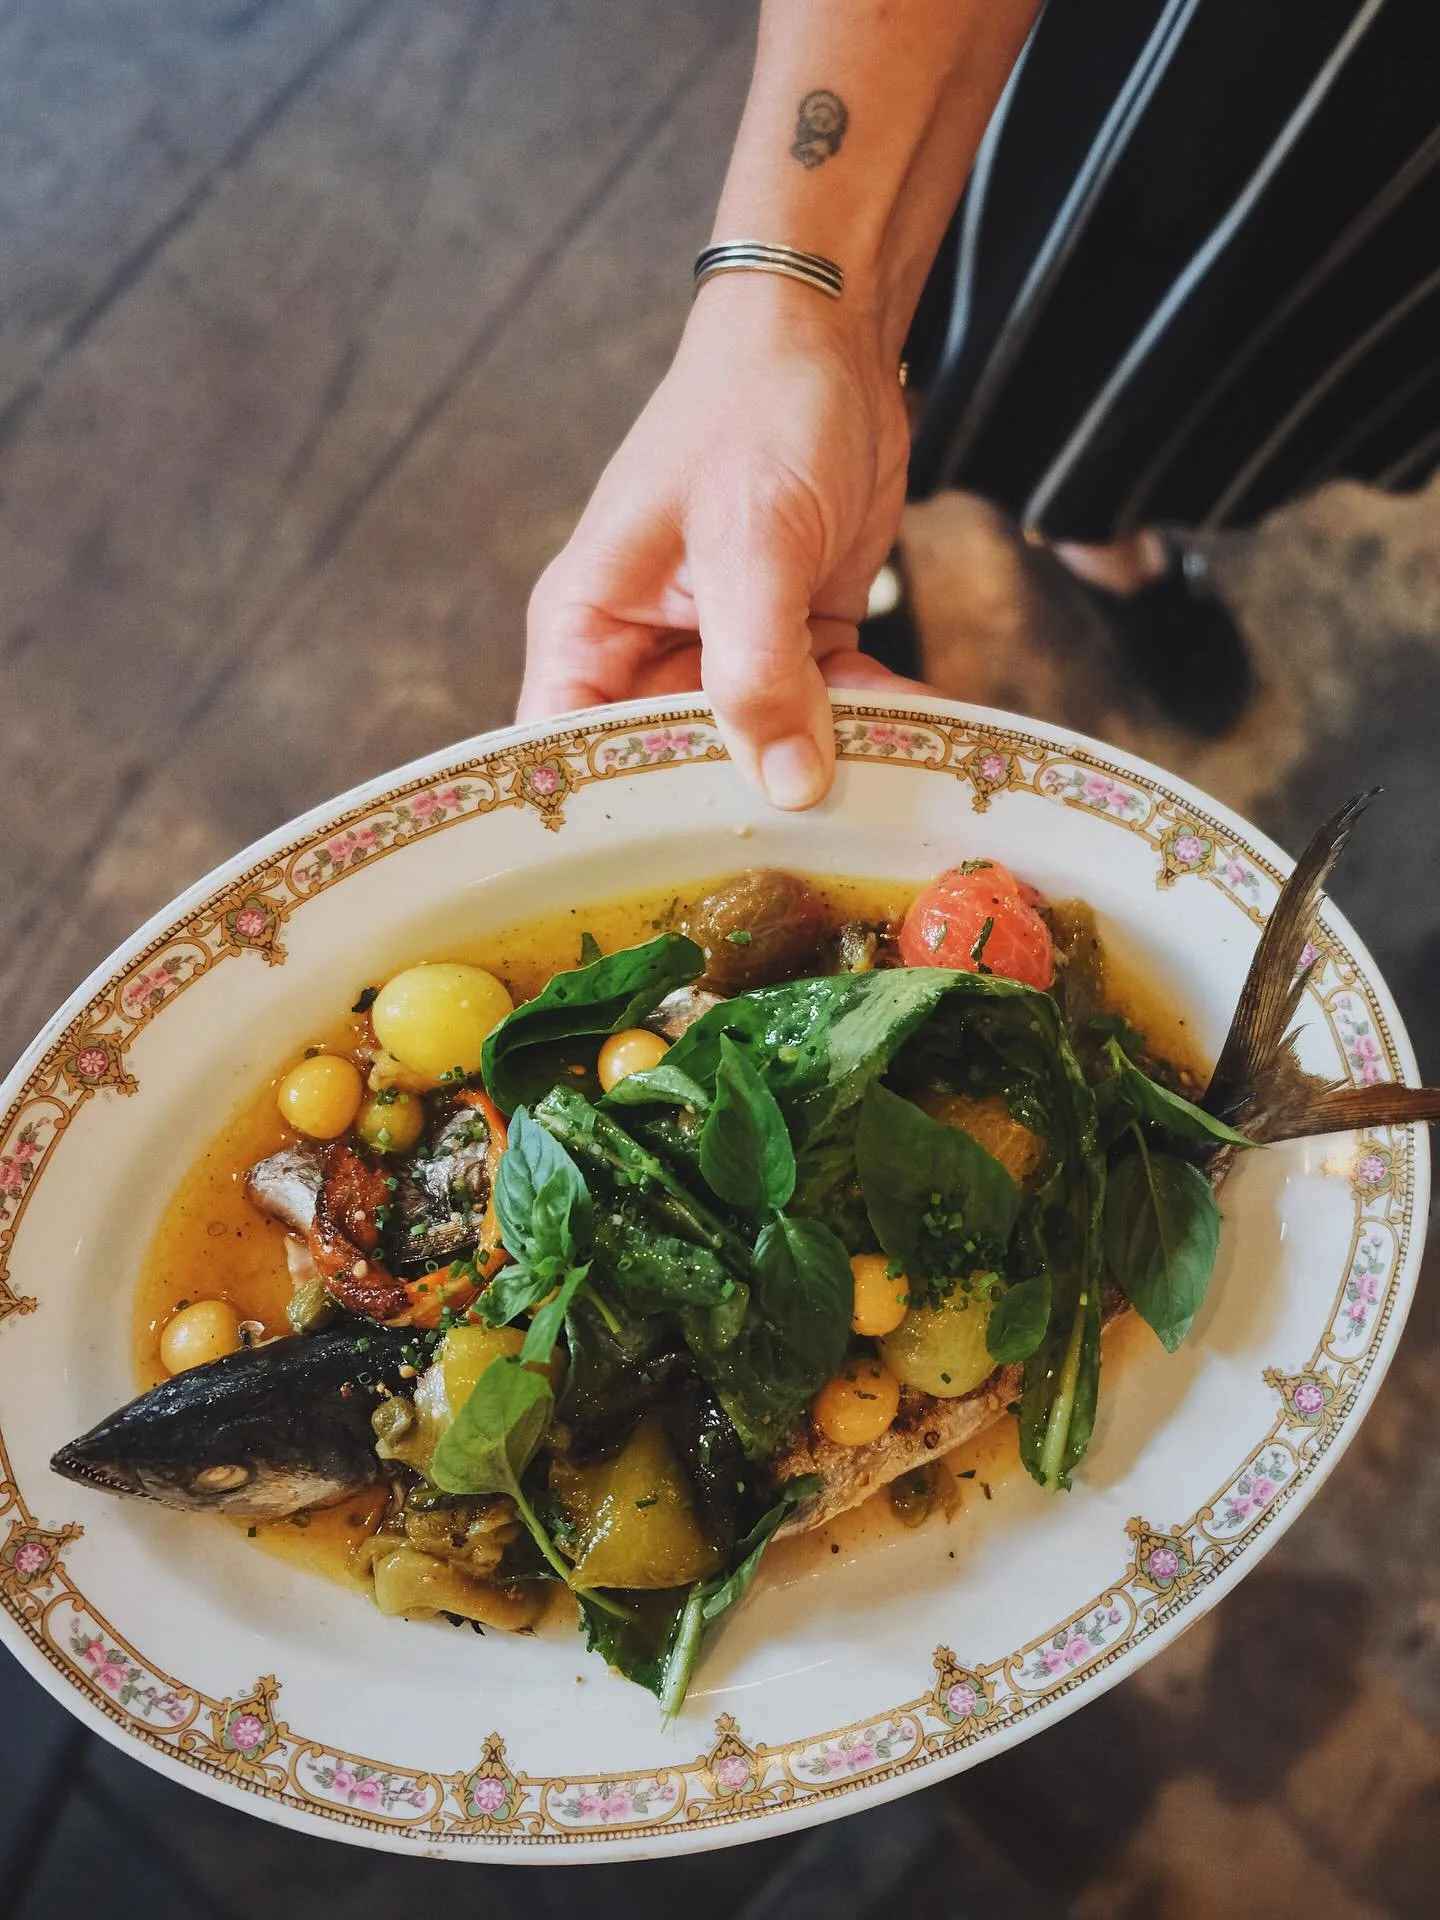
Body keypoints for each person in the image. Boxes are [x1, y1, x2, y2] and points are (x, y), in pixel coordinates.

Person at [520, 0, 1440, 808]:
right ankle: (856, 552)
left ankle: (1102, 537)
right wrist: (793, 318)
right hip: (1177, 69)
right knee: (967, 339)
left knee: (1234, 397)